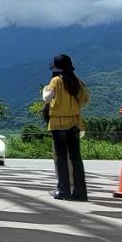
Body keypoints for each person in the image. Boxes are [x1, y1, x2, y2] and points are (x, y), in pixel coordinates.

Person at [43, 53, 91, 201]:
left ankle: (63, 191)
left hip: (58, 123)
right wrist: (72, 106)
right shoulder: (78, 82)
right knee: (76, 158)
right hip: (75, 122)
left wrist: (45, 89)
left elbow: (46, 98)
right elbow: (85, 99)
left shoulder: (55, 81)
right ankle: (80, 193)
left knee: (61, 158)